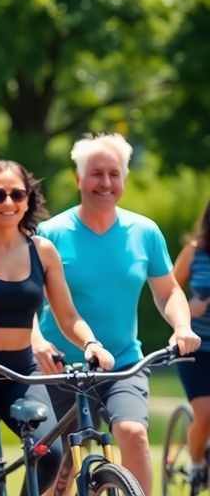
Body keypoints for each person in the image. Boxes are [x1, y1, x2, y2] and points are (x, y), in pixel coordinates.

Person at [34, 133, 199, 495]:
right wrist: (38, 343)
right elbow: (25, 300)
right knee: (54, 470)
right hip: (59, 368)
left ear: (123, 179)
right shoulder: (51, 234)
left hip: (122, 362)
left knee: (133, 433)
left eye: (114, 174)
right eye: (95, 173)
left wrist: (182, 325)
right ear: (78, 178)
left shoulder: (144, 232)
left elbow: (169, 291)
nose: (105, 183)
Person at [0, 160, 114, 496]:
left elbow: (69, 317)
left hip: (21, 371)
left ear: (27, 199)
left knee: (49, 455)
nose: (9, 203)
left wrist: (91, 344)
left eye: (17, 194)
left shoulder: (43, 251)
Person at [173, 197, 210, 485]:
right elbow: (167, 292)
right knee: (206, 412)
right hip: (195, 349)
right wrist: (188, 304)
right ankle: (197, 463)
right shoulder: (194, 252)